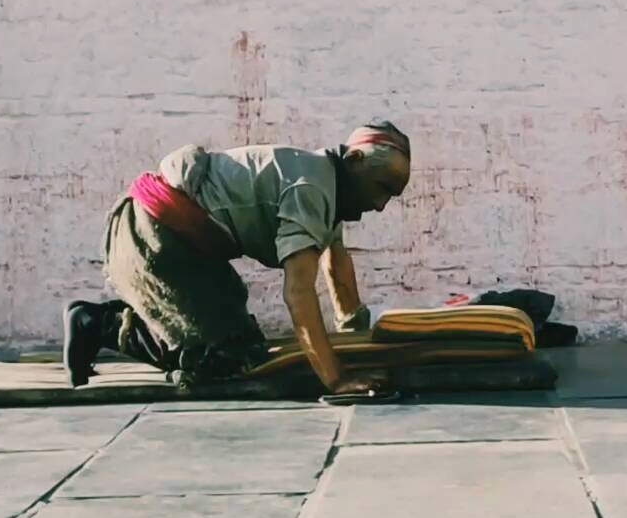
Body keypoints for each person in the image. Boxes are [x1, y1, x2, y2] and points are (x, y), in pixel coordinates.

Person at [65, 122, 412, 394]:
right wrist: (335, 379)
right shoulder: (312, 188)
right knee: (223, 361)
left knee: (245, 347)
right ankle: (97, 326)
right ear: (353, 161)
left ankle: (111, 323)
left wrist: (354, 336)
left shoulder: (326, 182)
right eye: (381, 187)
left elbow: (335, 263)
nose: (381, 205)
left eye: (391, 195)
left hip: (183, 243)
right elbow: (298, 292)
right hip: (153, 236)